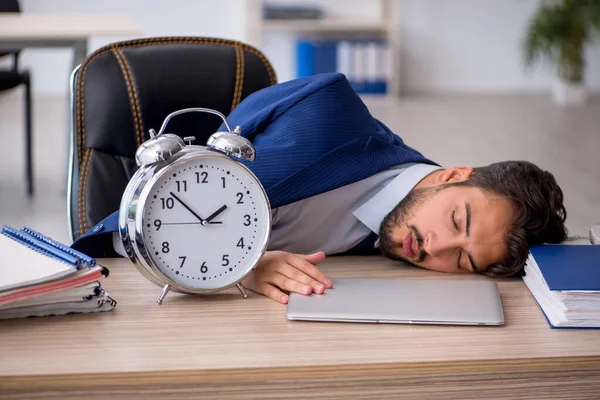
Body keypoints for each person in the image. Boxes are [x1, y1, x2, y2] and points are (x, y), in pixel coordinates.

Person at [72, 73, 568, 304]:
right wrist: (242, 265)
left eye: (462, 261)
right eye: (459, 221)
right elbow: (142, 224)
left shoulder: (400, 244)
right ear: (452, 174)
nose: (436, 247)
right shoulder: (324, 112)